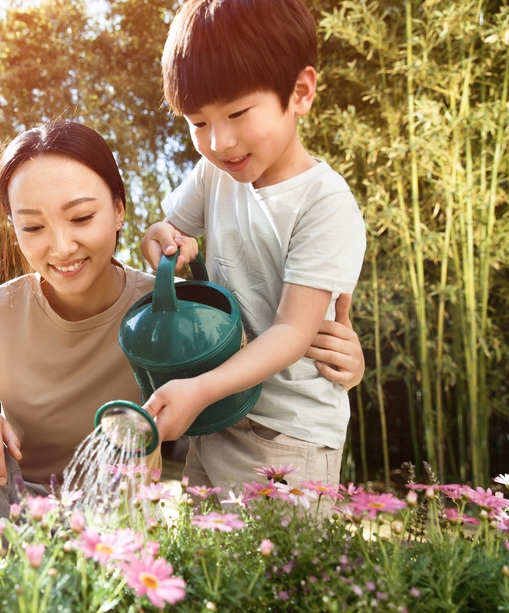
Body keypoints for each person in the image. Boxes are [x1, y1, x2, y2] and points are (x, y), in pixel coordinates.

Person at [0, 121, 364, 519]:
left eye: (81, 217)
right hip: (8, 512)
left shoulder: (168, 310)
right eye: (32, 227)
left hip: (112, 527)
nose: (61, 246)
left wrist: (340, 361)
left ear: (119, 211)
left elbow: (255, 363)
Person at [140, 0, 367, 497]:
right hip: (217, 413)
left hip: (287, 433)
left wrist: (200, 389)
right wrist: (162, 238)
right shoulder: (214, 175)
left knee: (278, 551)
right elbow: (169, 230)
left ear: (300, 93)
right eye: (198, 122)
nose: (220, 141)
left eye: (237, 113)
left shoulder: (323, 202)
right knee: (205, 548)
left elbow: (292, 331)